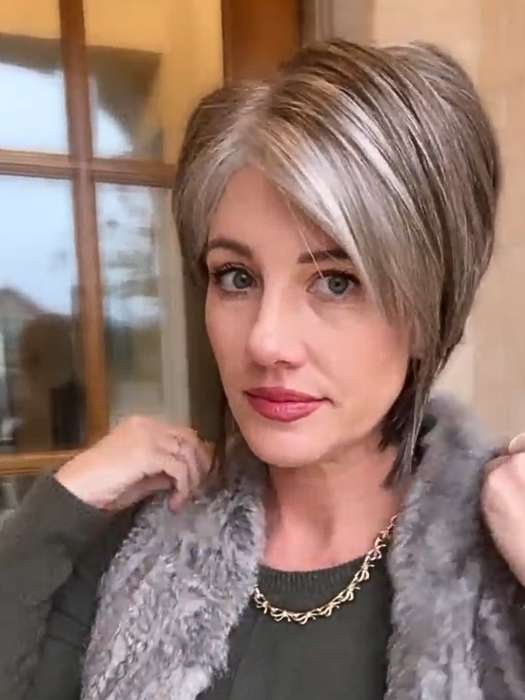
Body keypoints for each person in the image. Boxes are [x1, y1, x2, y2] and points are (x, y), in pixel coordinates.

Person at [1, 38, 525, 700]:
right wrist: (64, 503)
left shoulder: (503, 566)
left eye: (336, 282)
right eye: (236, 277)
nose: (266, 340)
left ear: (428, 308)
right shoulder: (139, 552)